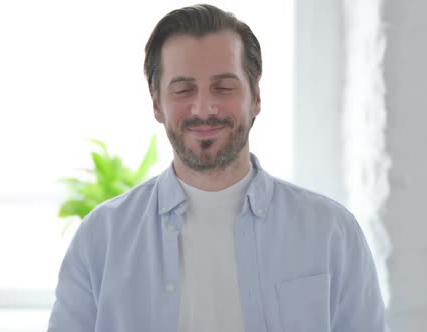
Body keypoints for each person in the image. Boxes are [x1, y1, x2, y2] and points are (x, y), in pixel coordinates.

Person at [48, 4, 386, 332]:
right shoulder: (100, 240)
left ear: (255, 97)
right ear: (156, 104)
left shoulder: (331, 232)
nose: (204, 107)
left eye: (223, 87)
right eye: (183, 89)